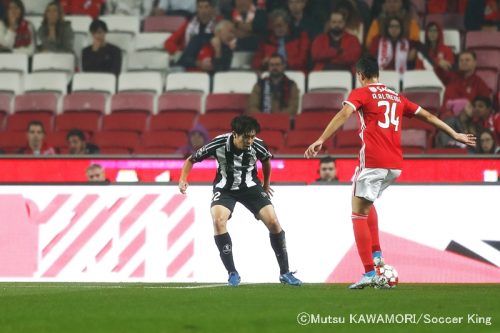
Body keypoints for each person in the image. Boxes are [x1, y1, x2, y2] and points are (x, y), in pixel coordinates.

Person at [304, 56, 475, 289]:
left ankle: (368, 272)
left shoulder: (361, 93)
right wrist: (454, 134)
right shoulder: (396, 96)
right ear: (378, 75)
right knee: (367, 203)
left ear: (361, 75)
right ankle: (377, 257)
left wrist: (321, 138)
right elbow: (428, 116)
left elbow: (344, 114)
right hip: (394, 165)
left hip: (373, 161)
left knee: (357, 213)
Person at [178, 115, 302, 286]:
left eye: (252, 136)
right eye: (246, 137)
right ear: (235, 134)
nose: (250, 140)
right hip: (225, 189)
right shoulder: (219, 143)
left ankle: (285, 273)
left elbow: (266, 161)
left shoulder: (258, 145)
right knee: (218, 220)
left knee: (273, 222)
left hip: (251, 187)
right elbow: (191, 160)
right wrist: (183, 178)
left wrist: (266, 184)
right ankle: (232, 273)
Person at [435, 50, 492, 114]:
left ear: (475, 63)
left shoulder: (480, 84)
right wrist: (439, 63)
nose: (464, 62)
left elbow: (485, 106)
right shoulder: (450, 77)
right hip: (445, 117)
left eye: (467, 60)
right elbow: (439, 72)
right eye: (461, 60)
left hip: (466, 120)